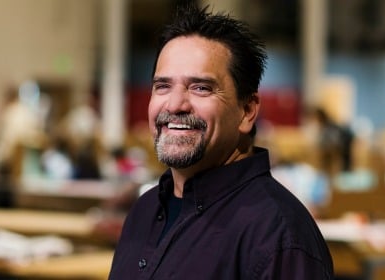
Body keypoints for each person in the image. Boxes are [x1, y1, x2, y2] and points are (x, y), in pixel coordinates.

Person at [108, 4, 334, 279]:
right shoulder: (144, 212)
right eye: (163, 86)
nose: (176, 104)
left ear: (247, 111)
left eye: (201, 88)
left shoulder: (278, 237)